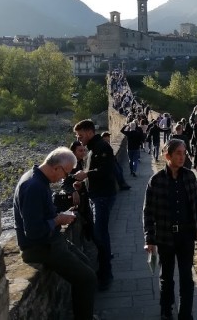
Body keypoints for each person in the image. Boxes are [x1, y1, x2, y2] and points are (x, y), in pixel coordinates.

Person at [13, 147, 97, 320]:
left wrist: (61, 215)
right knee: (87, 279)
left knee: (86, 263)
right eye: (65, 174)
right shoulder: (33, 186)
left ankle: (83, 312)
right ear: (57, 167)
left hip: (51, 239)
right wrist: (59, 220)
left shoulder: (39, 179)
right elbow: (34, 231)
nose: (63, 179)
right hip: (39, 247)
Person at [143, 139, 197, 320]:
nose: (182, 156)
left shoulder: (190, 176)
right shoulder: (156, 180)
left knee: (186, 278)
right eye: (178, 153)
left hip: (186, 235)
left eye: (184, 153)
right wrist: (149, 238)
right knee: (166, 278)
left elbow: (195, 205)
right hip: (164, 236)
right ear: (167, 155)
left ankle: (185, 314)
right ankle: (166, 311)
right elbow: (148, 211)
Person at [73, 119, 117, 290]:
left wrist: (86, 175)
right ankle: (104, 271)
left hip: (103, 196)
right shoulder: (91, 149)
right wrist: (82, 183)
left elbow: (107, 171)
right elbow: (94, 173)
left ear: (90, 132)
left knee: (100, 235)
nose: (79, 138)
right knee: (99, 234)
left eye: (80, 134)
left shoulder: (102, 147)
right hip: (97, 196)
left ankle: (106, 274)